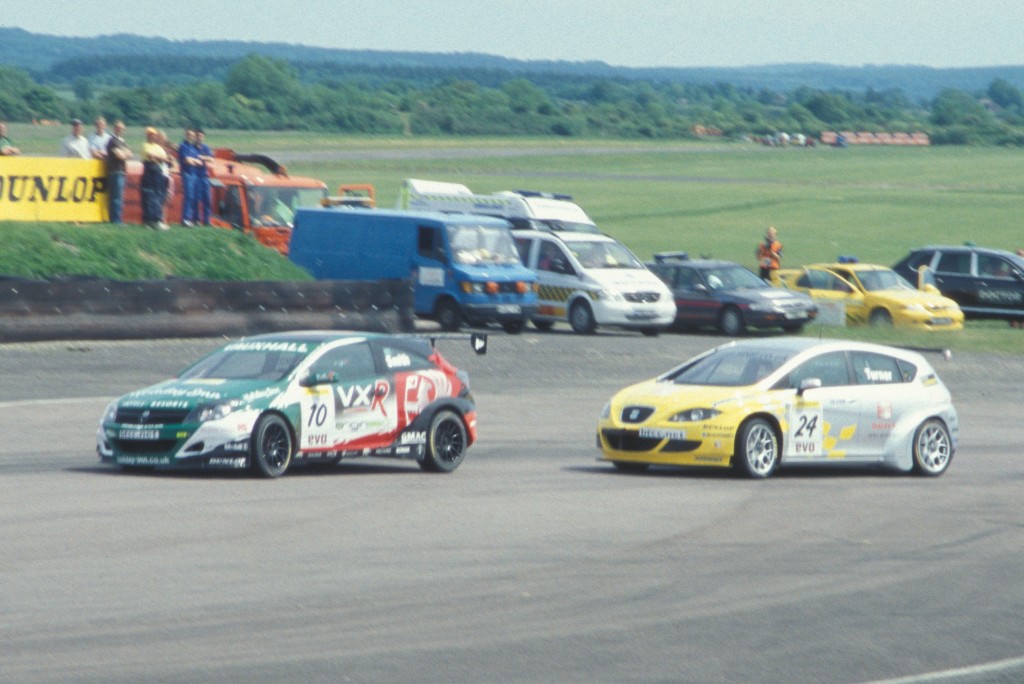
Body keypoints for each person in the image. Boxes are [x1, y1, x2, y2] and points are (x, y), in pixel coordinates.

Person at [141, 127, 170, 230]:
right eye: (150, 135)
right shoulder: (145, 145)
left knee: (158, 196)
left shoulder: (158, 147)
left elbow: (166, 159)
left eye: (154, 135)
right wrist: (159, 158)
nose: (152, 136)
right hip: (150, 170)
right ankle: (149, 220)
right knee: (150, 196)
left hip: (159, 171)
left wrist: (158, 158)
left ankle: (156, 219)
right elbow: (150, 156)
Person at [105, 120, 131, 224]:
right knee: (116, 197)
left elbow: (130, 154)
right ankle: (115, 220)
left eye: (122, 128)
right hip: (114, 171)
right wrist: (124, 154)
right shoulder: (112, 141)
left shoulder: (122, 141)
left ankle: (117, 218)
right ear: (114, 128)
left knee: (119, 196)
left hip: (121, 171)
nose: (120, 130)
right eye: (118, 128)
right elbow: (120, 155)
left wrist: (124, 154)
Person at [192, 128, 214, 225]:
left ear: (203, 137)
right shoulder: (191, 147)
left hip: (204, 175)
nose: (199, 138)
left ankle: (207, 220)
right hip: (195, 175)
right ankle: (196, 219)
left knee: (207, 199)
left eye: (201, 136)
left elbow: (211, 159)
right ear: (194, 137)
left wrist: (200, 157)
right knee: (196, 198)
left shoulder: (205, 148)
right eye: (197, 136)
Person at [177, 128, 199, 225]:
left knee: (194, 197)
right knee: (188, 196)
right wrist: (193, 160)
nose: (191, 137)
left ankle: (192, 218)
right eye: (189, 135)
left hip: (194, 173)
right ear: (186, 135)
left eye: (193, 135)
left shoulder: (194, 148)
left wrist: (193, 160)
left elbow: (199, 161)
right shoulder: (183, 146)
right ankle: (185, 219)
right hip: (187, 173)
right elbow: (187, 160)